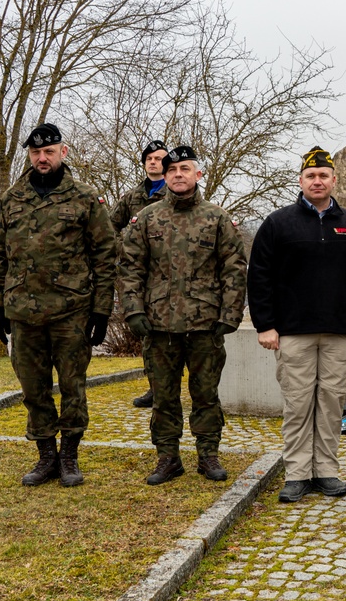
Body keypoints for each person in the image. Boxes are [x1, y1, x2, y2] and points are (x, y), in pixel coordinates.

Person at [0, 122, 116, 487]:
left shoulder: (85, 198)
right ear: (29, 155)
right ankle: (46, 455)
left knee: (73, 386)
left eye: (49, 151)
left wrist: (101, 309)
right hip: (23, 312)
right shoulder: (11, 199)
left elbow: (106, 255)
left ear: (63, 152)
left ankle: (70, 456)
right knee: (33, 387)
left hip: (71, 312)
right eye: (35, 152)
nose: (42, 158)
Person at [248, 146, 346, 503]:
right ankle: (297, 474)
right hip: (293, 332)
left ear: (334, 180)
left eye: (323, 176)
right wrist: (265, 325)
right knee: (298, 404)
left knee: (332, 403)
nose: (317, 180)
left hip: (339, 332)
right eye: (311, 176)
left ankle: (326, 471)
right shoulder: (278, 223)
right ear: (301, 181)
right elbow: (259, 277)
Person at [119, 145, 247, 486]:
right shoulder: (147, 219)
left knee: (206, 394)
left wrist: (229, 314)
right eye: (172, 169)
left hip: (206, 325)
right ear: (165, 174)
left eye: (185, 169)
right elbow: (130, 267)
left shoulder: (217, 218)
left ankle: (208, 455)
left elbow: (234, 270)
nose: (178, 175)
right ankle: (168, 457)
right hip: (159, 325)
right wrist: (133, 310)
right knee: (163, 396)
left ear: (197, 174)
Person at [109, 140, 169, 409]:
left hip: (172, 274)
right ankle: (155, 388)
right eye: (149, 159)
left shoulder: (175, 192)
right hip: (141, 277)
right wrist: (124, 249)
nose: (154, 162)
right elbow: (107, 226)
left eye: (159, 158)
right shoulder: (132, 198)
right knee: (149, 335)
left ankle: (180, 388)